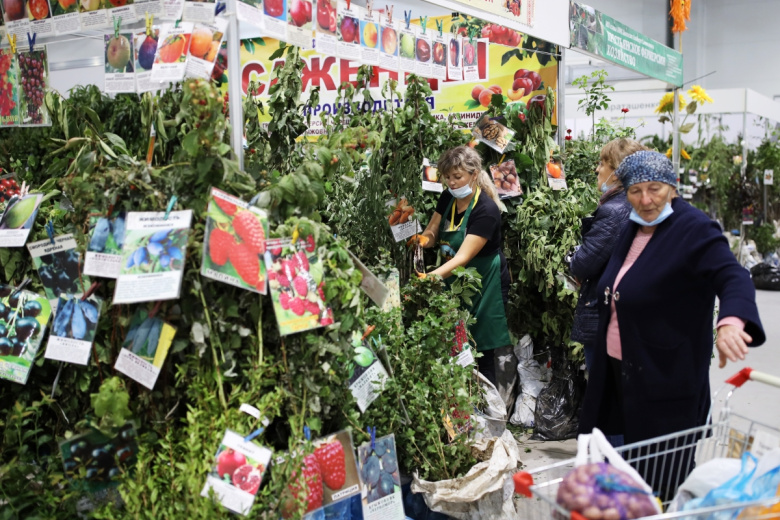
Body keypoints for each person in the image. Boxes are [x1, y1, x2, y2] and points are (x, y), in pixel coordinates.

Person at [579, 150, 766, 447]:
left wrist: (731, 321)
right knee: (618, 473)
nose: (646, 199)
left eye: (655, 189)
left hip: (663, 376)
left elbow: (733, 275)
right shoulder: (634, 226)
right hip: (619, 372)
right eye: (635, 191)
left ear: (672, 186)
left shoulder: (693, 228)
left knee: (660, 474)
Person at [409, 146, 514, 408]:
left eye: (457, 177)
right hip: (456, 278)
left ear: (474, 174)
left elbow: (463, 257)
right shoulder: (447, 198)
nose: (452, 182)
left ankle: (488, 411)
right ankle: (461, 409)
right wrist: (424, 239)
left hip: (484, 281)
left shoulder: (486, 210)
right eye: (447, 177)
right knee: (457, 340)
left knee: (482, 345)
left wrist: (430, 277)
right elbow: (433, 231)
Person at [569, 138, 647, 372]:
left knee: (606, 394)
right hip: (630, 314)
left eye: (603, 163)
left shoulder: (614, 212)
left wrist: (572, 257)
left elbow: (583, 264)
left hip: (607, 316)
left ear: (617, 173)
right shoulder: (639, 206)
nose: (597, 169)